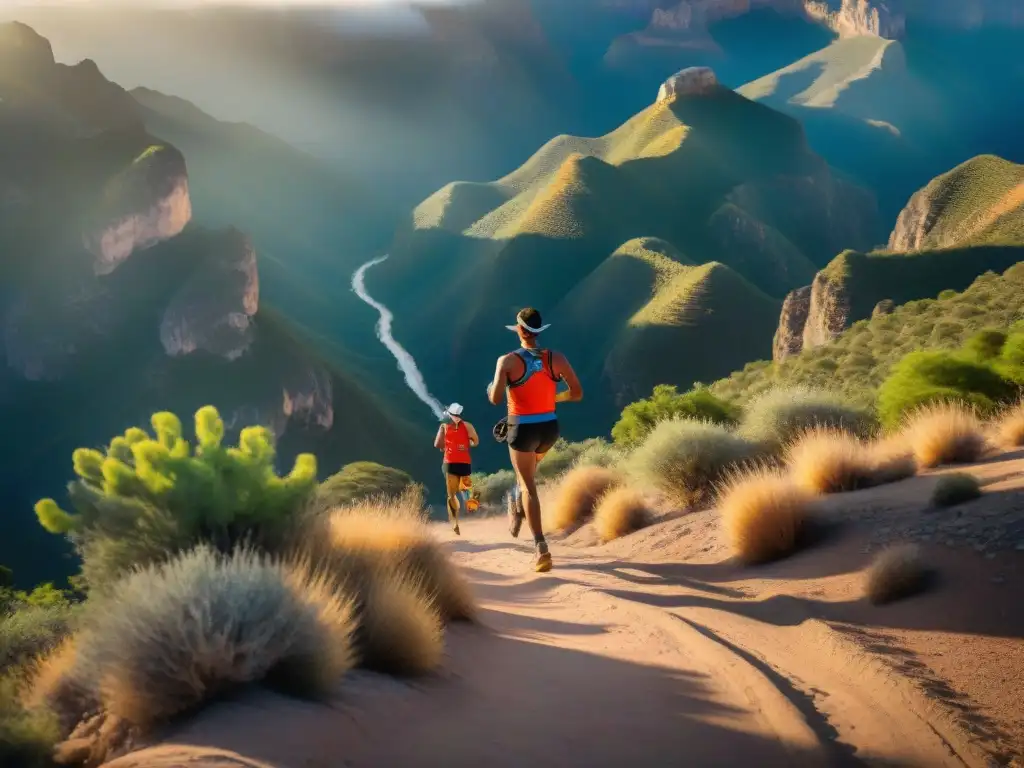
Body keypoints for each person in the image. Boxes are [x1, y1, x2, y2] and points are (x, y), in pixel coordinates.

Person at [487, 307, 583, 572]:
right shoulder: (557, 358)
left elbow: (495, 399)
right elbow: (576, 393)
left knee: (529, 485)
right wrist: (554, 398)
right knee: (527, 473)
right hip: (549, 428)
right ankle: (517, 499)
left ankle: (541, 548)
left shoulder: (506, 361)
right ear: (538, 331)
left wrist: (494, 386)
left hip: (521, 429)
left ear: (519, 330)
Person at [434, 402, 479, 535]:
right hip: (464, 462)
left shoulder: (444, 426)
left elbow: (437, 444)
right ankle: (470, 503)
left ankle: (455, 523)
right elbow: (475, 442)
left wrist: (445, 446)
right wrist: (465, 444)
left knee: (451, 495)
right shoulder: (468, 426)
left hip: (449, 462)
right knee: (465, 488)